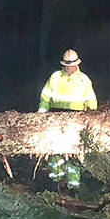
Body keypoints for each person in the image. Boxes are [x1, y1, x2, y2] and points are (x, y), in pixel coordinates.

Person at [37, 48, 97, 189]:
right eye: (67, 65)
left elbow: (91, 101)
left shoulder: (84, 80)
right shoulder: (55, 77)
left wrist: (91, 120)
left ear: (77, 64)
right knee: (54, 152)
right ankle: (55, 184)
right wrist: (40, 117)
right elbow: (44, 98)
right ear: (63, 64)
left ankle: (73, 187)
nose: (69, 67)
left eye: (72, 65)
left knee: (74, 154)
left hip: (77, 121)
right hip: (55, 119)